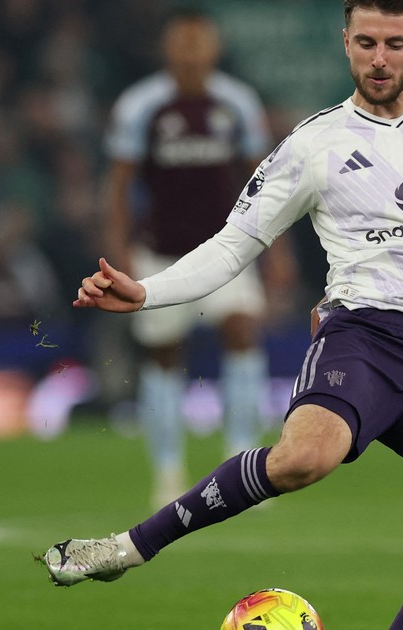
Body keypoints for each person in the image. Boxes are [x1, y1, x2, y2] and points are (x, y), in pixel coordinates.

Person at [41, 2, 403, 628]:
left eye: (395, 44)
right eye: (366, 43)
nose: (379, 59)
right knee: (303, 459)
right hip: (363, 335)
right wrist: (147, 292)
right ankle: (124, 549)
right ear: (345, 43)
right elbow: (235, 244)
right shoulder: (315, 142)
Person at [103, 8, 292, 507]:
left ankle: (242, 463)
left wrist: (277, 250)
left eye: (198, 43)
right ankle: (168, 471)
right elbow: (119, 185)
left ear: (213, 49)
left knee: (242, 331)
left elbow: (263, 180)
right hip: (159, 254)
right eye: (182, 44)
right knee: (164, 355)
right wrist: (120, 250)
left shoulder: (237, 102)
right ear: (168, 50)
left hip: (225, 251)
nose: (190, 53)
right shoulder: (141, 106)